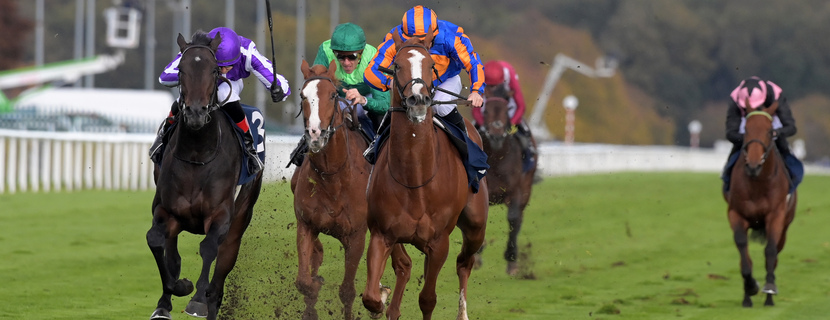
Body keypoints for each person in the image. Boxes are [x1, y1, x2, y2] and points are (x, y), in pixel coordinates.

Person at [151, 27, 290, 174]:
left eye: (228, 66)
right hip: (203, 82)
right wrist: (190, 71)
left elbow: (280, 82)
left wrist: (278, 90)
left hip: (231, 84)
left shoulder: (247, 52)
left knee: (223, 93)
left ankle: (248, 145)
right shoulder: (198, 50)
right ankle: (163, 134)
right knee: (187, 93)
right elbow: (164, 77)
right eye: (220, 66)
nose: (223, 71)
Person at [363, 5, 485, 140]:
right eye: (410, 39)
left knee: (441, 107)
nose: (417, 44)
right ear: (403, 35)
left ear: (434, 34)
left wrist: (476, 91)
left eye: (422, 41)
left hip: (444, 80)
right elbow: (370, 71)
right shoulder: (393, 40)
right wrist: (390, 82)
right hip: (409, 84)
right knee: (395, 109)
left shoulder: (451, 39)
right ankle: (375, 146)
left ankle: (467, 146)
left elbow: (473, 64)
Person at [287, 22, 390, 167]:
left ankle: (386, 158)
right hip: (339, 98)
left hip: (368, 98)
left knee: (384, 118)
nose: (346, 63)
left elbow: (384, 104)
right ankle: (306, 142)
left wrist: (362, 100)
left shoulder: (374, 57)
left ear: (361, 52)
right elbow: (317, 89)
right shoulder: (325, 50)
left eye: (352, 57)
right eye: (340, 57)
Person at [721, 76, 803, 194]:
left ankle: (789, 188)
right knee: (732, 161)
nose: (753, 109)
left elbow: (791, 127)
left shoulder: (776, 96)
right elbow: (730, 133)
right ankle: (728, 184)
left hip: (772, 127)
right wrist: (751, 138)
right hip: (747, 130)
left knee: (787, 155)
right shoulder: (736, 99)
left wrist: (775, 133)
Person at [475, 60, 536, 157]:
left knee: (519, 124)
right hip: (488, 102)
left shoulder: (509, 75)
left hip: (507, 99)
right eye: (490, 86)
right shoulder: (479, 76)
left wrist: (511, 123)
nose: (492, 89)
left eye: (495, 86)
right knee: (473, 128)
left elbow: (521, 106)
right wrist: (482, 124)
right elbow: (476, 109)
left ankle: (529, 148)